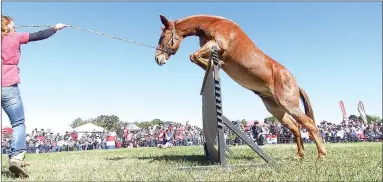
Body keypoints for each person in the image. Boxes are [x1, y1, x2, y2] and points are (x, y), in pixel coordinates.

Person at [1, 15, 67, 177]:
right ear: (7, 27)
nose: (15, 28)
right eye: (13, 25)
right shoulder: (14, 37)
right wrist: (55, 28)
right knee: (18, 123)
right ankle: (16, 158)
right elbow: (39, 35)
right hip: (7, 84)